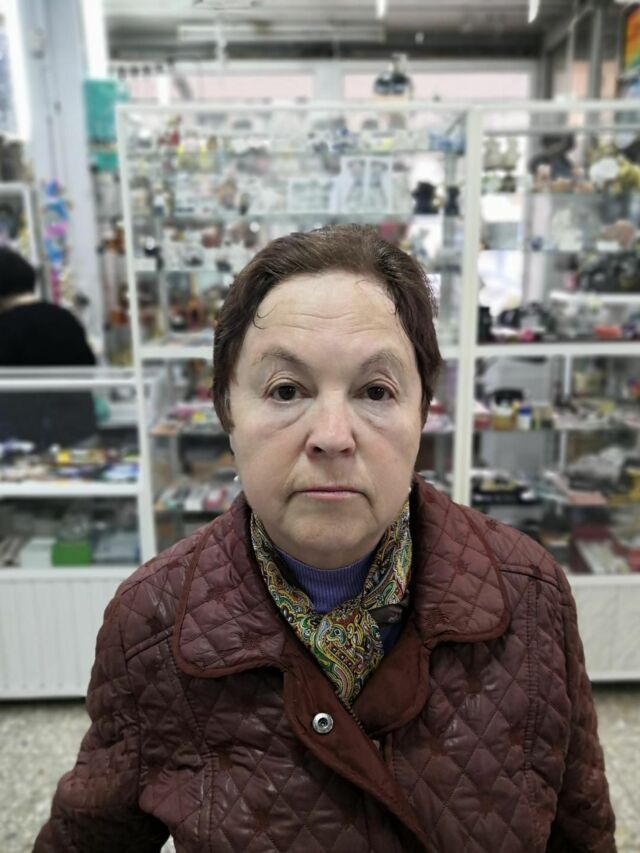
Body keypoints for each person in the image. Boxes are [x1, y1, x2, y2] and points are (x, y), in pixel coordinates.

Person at [34, 225, 615, 852]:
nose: (332, 436)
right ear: (227, 409)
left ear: (422, 412)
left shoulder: (529, 592)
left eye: (375, 391)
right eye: (286, 390)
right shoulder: (152, 622)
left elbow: (580, 831)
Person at [0, 247, 97, 448]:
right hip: (78, 431)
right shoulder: (64, 317)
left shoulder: (6, 327)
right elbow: (88, 366)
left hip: (26, 440)